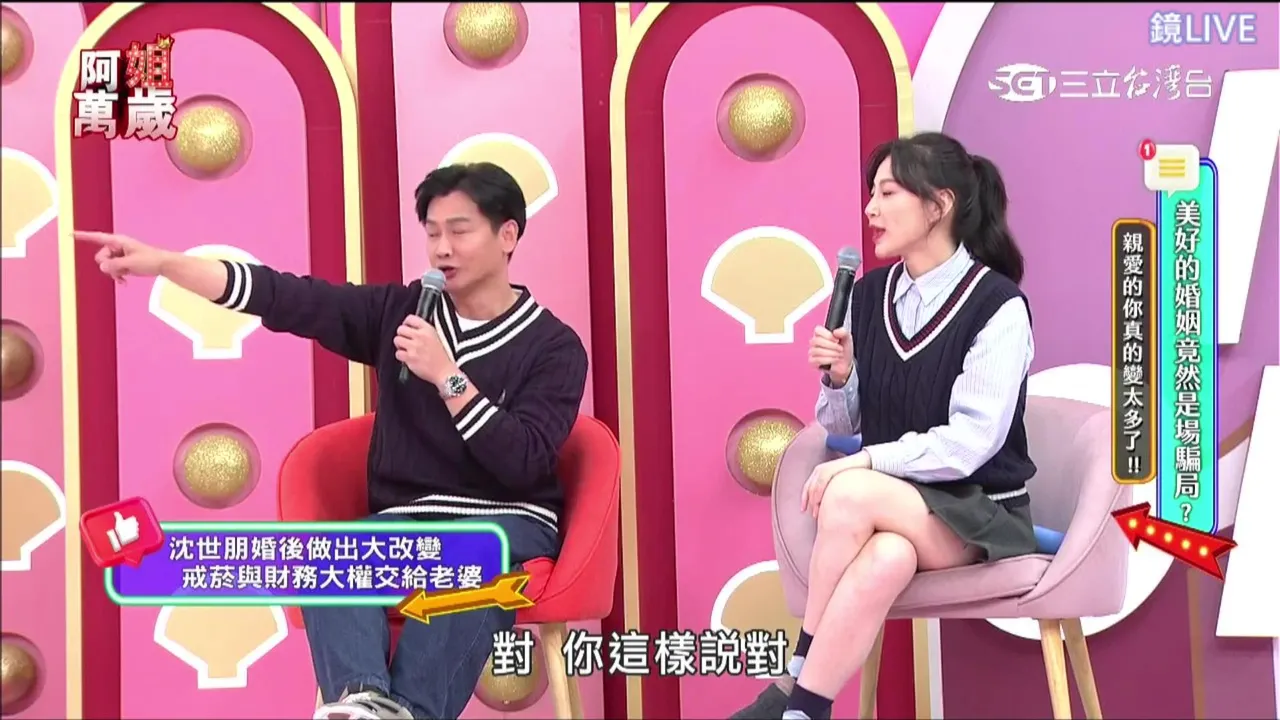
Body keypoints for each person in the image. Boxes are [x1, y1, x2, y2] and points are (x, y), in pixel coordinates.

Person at [77, 162, 589, 720]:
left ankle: (404, 712)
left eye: (460, 231)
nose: (442, 248)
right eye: (433, 232)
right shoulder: (400, 312)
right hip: (406, 523)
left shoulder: (553, 347)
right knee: (327, 555)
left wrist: (447, 376)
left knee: (466, 561)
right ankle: (365, 701)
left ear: (507, 234)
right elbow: (286, 297)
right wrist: (165, 264)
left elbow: (524, 462)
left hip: (505, 520)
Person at [731, 132, 1037, 720]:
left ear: (939, 205)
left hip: (978, 512)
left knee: (849, 490)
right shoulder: (868, 295)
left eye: (888, 193)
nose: (870, 209)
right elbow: (841, 423)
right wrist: (841, 377)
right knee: (887, 557)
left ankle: (792, 676)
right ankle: (804, 712)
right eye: (871, 193)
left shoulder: (997, 306)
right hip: (895, 514)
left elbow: (971, 443)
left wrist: (868, 460)